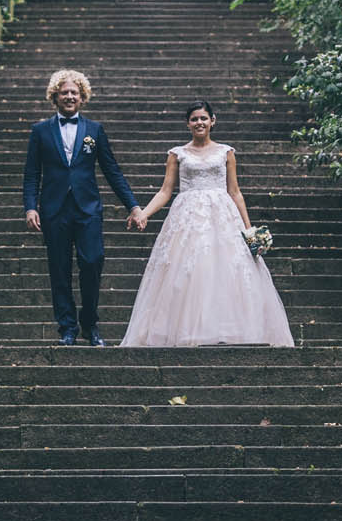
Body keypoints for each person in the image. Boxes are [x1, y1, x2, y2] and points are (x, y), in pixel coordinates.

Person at [120, 101, 294, 347]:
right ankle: (189, 331)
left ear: (213, 120)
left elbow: (235, 192)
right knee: (190, 270)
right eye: (194, 119)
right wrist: (144, 213)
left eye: (203, 118)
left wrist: (249, 229)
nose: (199, 123)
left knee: (227, 270)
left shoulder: (226, 152)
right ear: (187, 123)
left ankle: (228, 329)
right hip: (187, 217)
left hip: (222, 215)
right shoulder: (177, 154)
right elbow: (165, 191)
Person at [22, 69, 146, 346]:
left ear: (82, 97)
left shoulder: (94, 131)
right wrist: (31, 207)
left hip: (87, 210)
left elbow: (112, 171)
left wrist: (133, 206)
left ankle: (90, 324)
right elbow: (32, 173)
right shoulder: (40, 131)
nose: (69, 96)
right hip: (54, 211)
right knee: (59, 269)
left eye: (74, 93)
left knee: (92, 263)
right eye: (64, 92)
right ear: (55, 96)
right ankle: (67, 328)